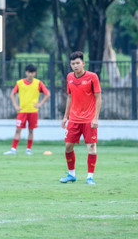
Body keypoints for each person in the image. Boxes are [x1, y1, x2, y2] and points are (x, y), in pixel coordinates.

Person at [59, 51, 102, 185]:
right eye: (73, 63)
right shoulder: (69, 77)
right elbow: (70, 97)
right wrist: (65, 117)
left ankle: (90, 177)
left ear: (83, 63)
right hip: (74, 119)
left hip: (89, 120)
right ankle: (72, 174)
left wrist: (96, 118)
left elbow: (98, 97)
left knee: (91, 148)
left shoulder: (92, 77)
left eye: (78, 63)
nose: (75, 66)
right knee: (68, 147)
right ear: (70, 65)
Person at [4, 64, 50, 155]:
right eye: (29, 72)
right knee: (18, 130)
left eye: (32, 73)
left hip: (33, 111)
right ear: (26, 72)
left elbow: (47, 94)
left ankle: (28, 149)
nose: (30, 74)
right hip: (22, 111)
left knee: (31, 130)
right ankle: (13, 149)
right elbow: (12, 94)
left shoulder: (38, 83)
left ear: (35, 73)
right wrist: (16, 106)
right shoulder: (19, 83)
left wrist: (40, 104)